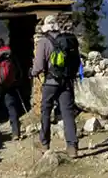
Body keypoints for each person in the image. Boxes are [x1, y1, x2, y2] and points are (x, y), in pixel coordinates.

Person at [30, 15, 81, 158]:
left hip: (51, 82)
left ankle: (44, 143)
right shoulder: (68, 40)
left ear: (46, 27)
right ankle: (72, 147)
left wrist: (32, 72)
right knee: (67, 113)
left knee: (46, 110)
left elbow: (39, 65)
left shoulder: (43, 42)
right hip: (67, 81)